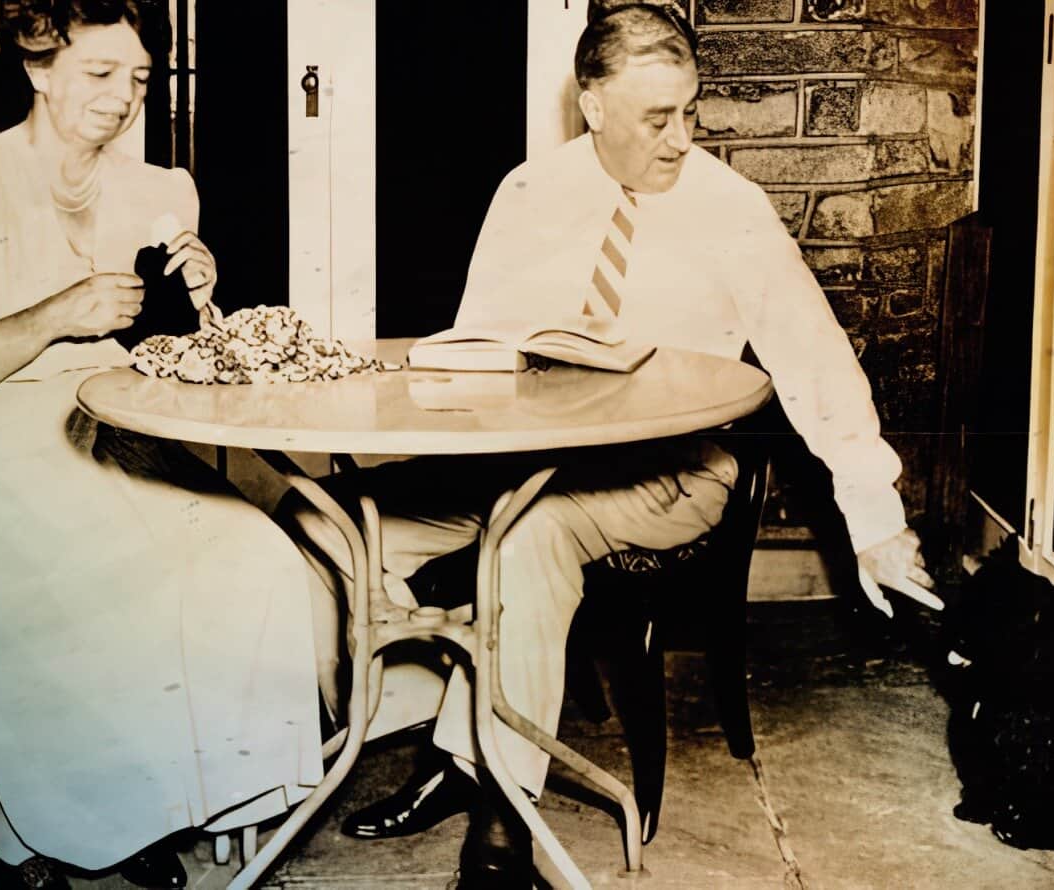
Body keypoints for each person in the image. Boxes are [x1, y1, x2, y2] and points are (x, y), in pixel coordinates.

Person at [283, 3, 942, 887]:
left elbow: (817, 363)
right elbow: (481, 350)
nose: (680, 139)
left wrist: (875, 519)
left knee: (529, 536)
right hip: (519, 461)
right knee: (321, 526)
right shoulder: (528, 193)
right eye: (656, 118)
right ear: (592, 105)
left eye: (690, 112)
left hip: (668, 475)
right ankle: (449, 735)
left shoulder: (732, 210)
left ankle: (502, 814)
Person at [0, 2, 324, 887]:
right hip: (1, 427)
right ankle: (35, 827)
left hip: (117, 421)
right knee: (91, 571)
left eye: (137, 80)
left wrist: (200, 290)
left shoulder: (161, 189)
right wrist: (53, 316)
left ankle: (187, 802)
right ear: (38, 69)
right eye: (99, 75)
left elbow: (180, 342)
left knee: (252, 554)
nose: (122, 99)